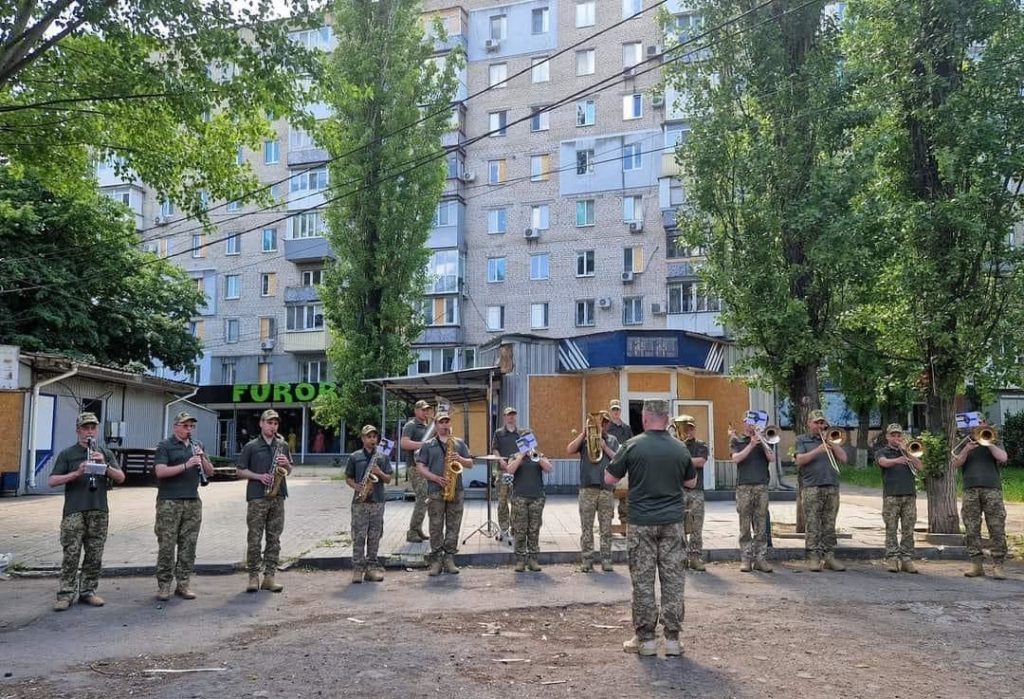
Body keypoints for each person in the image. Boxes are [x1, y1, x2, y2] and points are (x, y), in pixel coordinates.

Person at [605, 400, 697, 658]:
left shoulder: (632, 445)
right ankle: (672, 641)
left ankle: (645, 640)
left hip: (641, 523)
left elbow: (609, 479)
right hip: (672, 523)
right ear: (667, 419)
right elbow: (691, 482)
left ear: (645, 418)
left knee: (643, 583)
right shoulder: (680, 448)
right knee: (673, 581)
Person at [48, 412, 126, 611]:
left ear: (97, 430)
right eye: (85, 428)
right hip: (74, 510)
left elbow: (121, 478)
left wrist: (104, 465)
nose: (89, 432)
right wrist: (76, 472)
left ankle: (88, 591)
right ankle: (66, 594)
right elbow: (52, 481)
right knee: (71, 554)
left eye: (93, 428)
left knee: (94, 554)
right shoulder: (68, 453)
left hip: (98, 509)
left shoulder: (105, 453)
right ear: (78, 430)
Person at [153, 411, 214, 600]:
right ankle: (164, 585)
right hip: (169, 501)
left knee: (189, 545)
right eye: (185, 425)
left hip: (192, 500)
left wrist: (202, 458)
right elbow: (160, 472)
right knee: (167, 545)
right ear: (176, 426)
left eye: (191, 426)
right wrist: (187, 465)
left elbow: (210, 472)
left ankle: (183, 584)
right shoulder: (165, 445)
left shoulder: (197, 445)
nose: (189, 429)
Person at [236, 409, 293, 593]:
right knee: (254, 538)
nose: (273, 426)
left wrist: (286, 464)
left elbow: (289, 470)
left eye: (275, 423)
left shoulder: (282, 445)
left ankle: (270, 576)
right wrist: (259, 476)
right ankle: (253, 576)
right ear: (261, 424)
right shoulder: (251, 446)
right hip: (257, 497)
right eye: (269, 422)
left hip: (278, 496)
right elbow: (240, 471)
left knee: (274, 538)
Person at [415, 410, 473, 576]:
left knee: (454, 525)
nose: (445, 425)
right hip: (435, 491)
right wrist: (435, 478)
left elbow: (470, 463)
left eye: (447, 421)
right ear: (436, 425)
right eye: (441, 422)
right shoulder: (428, 445)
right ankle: (436, 560)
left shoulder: (459, 443)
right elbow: (420, 467)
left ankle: (449, 558)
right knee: (435, 526)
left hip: (456, 490)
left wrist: (460, 459)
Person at [952, 418, 1008, 579]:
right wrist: (967, 449)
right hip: (970, 490)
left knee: (996, 527)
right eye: (976, 422)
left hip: (992, 489)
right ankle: (976, 564)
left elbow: (1003, 458)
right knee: (971, 528)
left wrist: (988, 442)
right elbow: (956, 464)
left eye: (982, 421)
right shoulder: (965, 442)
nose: (980, 424)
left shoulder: (995, 439)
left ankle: (998, 564)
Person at [794, 409, 848, 572]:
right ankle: (813, 557)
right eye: (816, 422)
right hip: (812, 487)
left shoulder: (832, 438)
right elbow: (799, 460)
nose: (820, 425)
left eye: (822, 422)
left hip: (831, 486)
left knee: (829, 524)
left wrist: (830, 443)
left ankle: (829, 556)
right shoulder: (802, 440)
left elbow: (844, 459)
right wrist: (818, 450)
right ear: (809, 423)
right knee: (812, 524)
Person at [567, 412, 619, 572]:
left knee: (606, 528)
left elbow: (619, 459)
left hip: (606, 489)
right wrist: (583, 433)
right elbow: (569, 449)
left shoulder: (612, 440)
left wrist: (605, 448)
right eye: (600, 422)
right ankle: (587, 560)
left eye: (605, 423)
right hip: (587, 488)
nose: (602, 425)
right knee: (586, 527)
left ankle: (606, 559)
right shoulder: (585, 438)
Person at [345, 425, 394, 583]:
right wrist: (356, 486)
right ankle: (358, 569)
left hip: (377, 501)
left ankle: (371, 568)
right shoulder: (354, 456)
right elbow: (348, 478)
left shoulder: (382, 457)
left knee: (374, 536)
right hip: (360, 502)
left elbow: (388, 479)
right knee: (358, 536)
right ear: (362, 438)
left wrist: (379, 472)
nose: (372, 439)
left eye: (374, 437)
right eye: (369, 437)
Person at [875, 424, 922, 574]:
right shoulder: (883, 451)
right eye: (893, 435)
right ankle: (892, 558)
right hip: (891, 495)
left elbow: (920, 467)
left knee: (908, 529)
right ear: (888, 436)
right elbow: (883, 462)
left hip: (909, 495)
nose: (896, 438)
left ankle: (906, 558)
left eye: (899, 435)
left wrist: (908, 453)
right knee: (891, 528)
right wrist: (896, 460)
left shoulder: (909, 451)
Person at [730, 419, 774, 573]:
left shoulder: (766, 440)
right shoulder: (737, 440)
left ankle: (761, 559)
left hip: (761, 486)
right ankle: (746, 559)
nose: (752, 426)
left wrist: (761, 441)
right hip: (744, 487)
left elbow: (771, 458)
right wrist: (751, 445)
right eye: (749, 423)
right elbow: (736, 458)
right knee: (744, 525)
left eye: (754, 423)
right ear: (744, 424)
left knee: (761, 524)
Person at [505, 445, 554, 573]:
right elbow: (509, 470)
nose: (528, 446)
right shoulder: (515, 456)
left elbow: (549, 468)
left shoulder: (539, 455)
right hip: (519, 498)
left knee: (534, 529)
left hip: (536, 498)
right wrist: (521, 457)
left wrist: (537, 457)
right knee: (520, 529)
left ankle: (533, 559)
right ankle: (520, 560)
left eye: (530, 443)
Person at [674, 415, 710, 571]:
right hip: (679, 490)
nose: (688, 431)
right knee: (678, 526)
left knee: (696, 525)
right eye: (685, 428)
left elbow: (700, 462)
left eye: (691, 428)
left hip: (696, 491)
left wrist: (682, 458)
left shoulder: (701, 445)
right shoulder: (675, 446)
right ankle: (681, 558)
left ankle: (695, 557)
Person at [490, 406, 526, 543]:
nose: (511, 417)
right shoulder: (499, 433)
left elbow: (527, 450)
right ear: (504, 417)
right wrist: (501, 461)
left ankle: (515, 528)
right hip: (503, 470)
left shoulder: (521, 433)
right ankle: (504, 528)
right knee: (502, 501)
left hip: (519, 472)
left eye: (513, 415)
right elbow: (494, 449)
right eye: (508, 415)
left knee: (516, 501)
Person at [401, 399, 433, 543]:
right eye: (422, 409)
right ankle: (412, 531)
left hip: (426, 466)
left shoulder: (428, 426)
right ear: (416, 411)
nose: (425, 412)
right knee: (422, 496)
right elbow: (404, 443)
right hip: (414, 466)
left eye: (427, 410)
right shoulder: (411, 425)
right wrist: (423, 444)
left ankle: (418, 528)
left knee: (425, 498)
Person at [607, 400, 634, 528]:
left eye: (617, 409)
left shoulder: (626, 428)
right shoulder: (606, 428)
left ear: (620, 411)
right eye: (613, 410)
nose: (616, 412)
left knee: (625, 497)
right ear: (610, 411)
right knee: (608, 497)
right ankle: (607, 525)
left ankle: (624, 525)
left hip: (623, 467)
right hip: (609, 465)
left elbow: (631, 445)